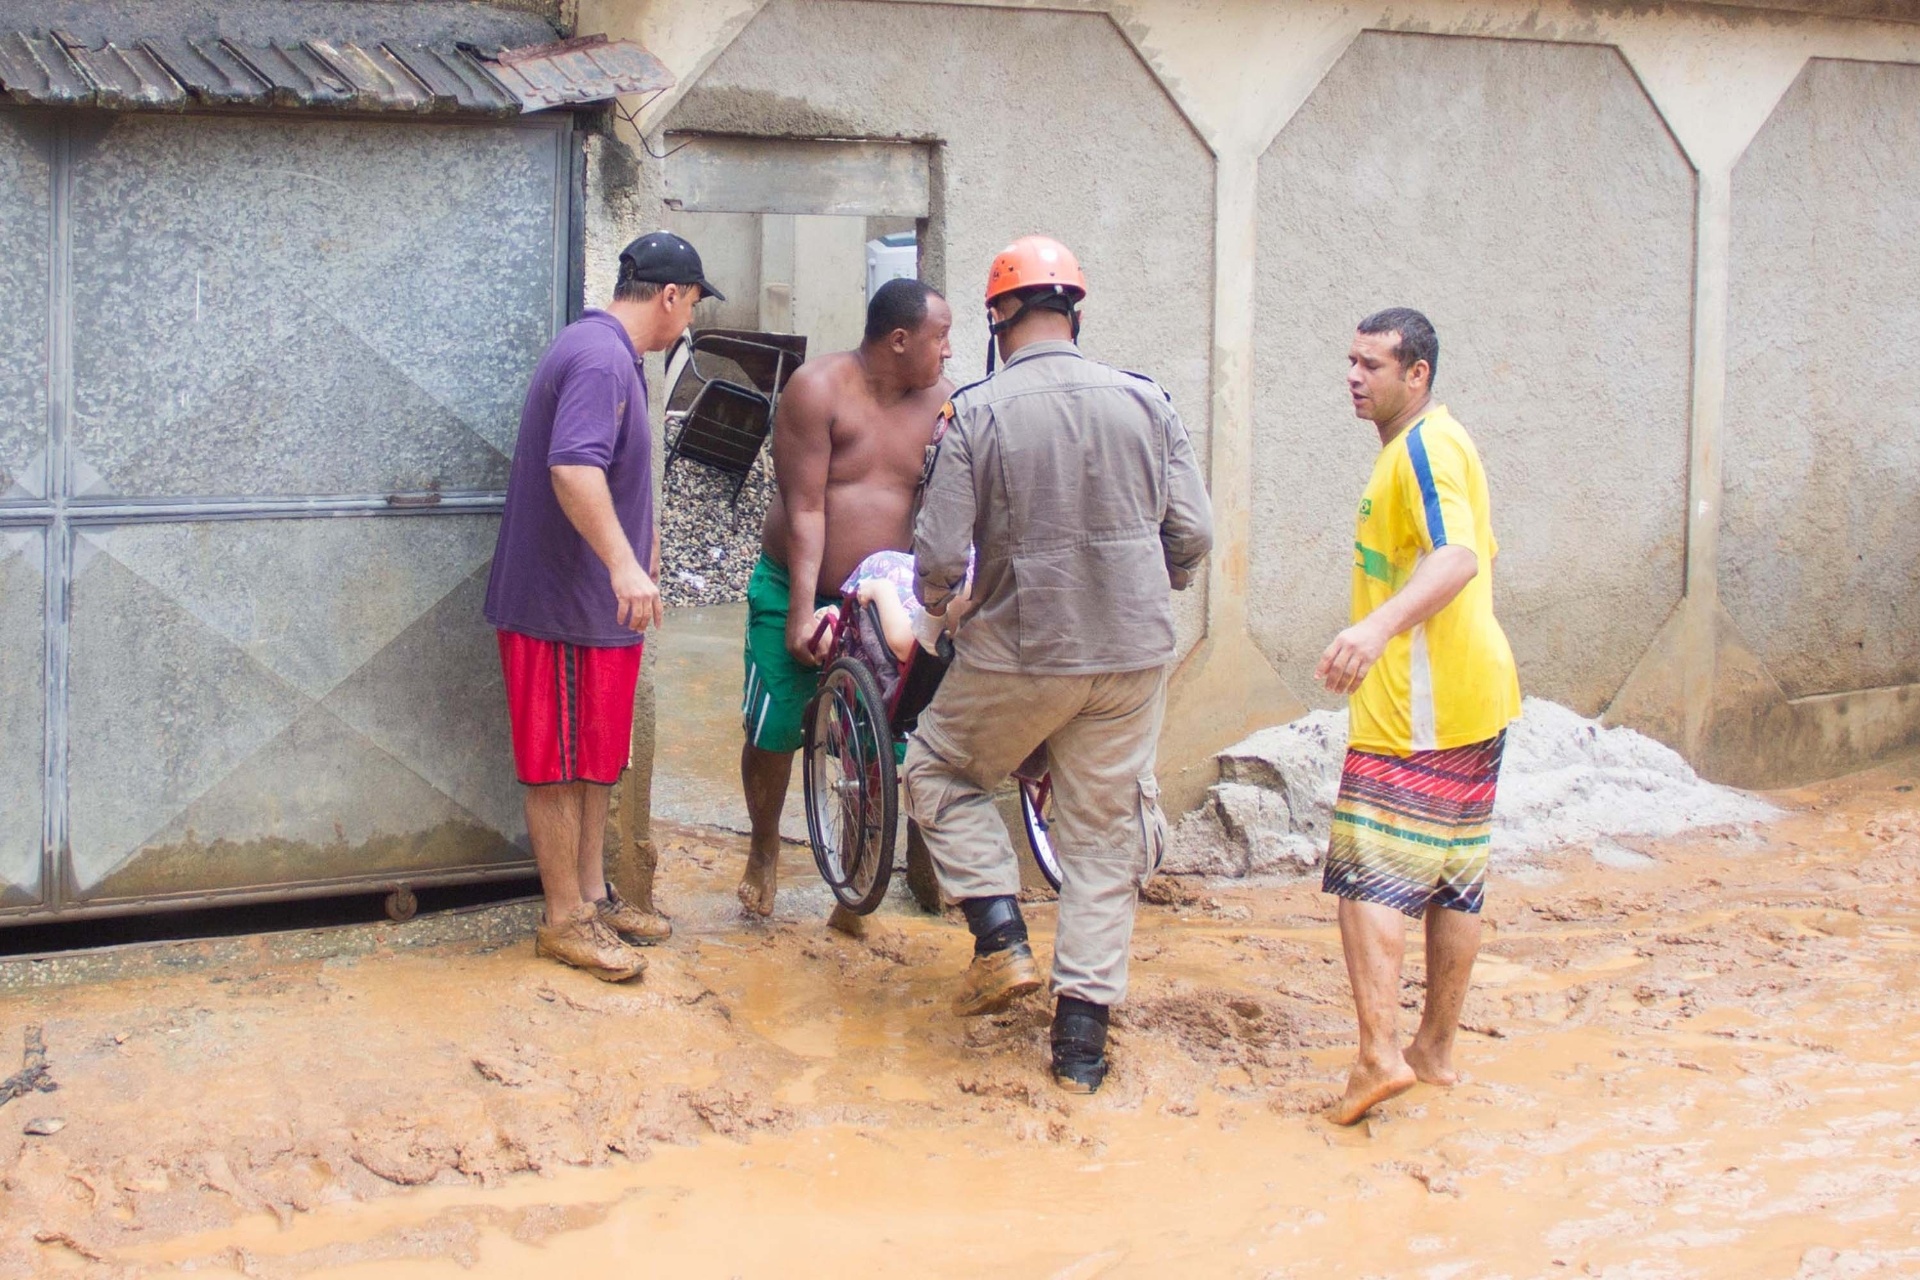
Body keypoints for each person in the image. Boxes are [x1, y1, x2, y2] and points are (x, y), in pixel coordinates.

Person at [903, 236, 1213, 1094]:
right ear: (1076, 310)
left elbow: (935, 558)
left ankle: (1000, 938)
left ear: (1001, 315)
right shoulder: (1148, 401)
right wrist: (1151, 582)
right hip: (1132, 656)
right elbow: (1193, 533)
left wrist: (943, 606)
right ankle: (1081, 1045)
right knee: (1104, 838)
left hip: (1022, 652)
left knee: (935, 768)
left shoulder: (975, 412)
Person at [484, 231, 723, 981]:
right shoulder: (596, 358)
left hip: (595, 608)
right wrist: (624, 565)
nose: (687, 325)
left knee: (593, 757)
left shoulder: (616, 357)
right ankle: (564, 920)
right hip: (559, 601)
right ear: (670, 296)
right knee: (556, 764)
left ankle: (593, 894)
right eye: (689, 309)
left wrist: (637, 554)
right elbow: (573, 468)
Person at [1315, 307, 1522, 1124]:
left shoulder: (1427, 446)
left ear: (1418, 374)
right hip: (1473, 699)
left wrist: (1374, 627)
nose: (1355, 377)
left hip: (1418, 706)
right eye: (1352, 361)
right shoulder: (1429, 444)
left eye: (1373, 365)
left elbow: (1457, 557)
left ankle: (1377, 1057)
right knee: (1452, 880)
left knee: (1366, 875)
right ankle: (1434, 1051)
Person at [737, 278, 954, 917]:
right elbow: (804, 507)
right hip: (796, 582)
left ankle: (860, 868)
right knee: (776, 724)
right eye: (940, 337)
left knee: (888, 736)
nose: (948, 351)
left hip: (886, 597)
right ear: (898, 340)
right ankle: (763, 848)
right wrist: (803, 610)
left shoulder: (944, 405)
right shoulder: (818, 389)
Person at [808, 547, 974, 665]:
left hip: (909, 623)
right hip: (927, 591)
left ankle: (843, 633)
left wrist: (881, 589)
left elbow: (906, 645)